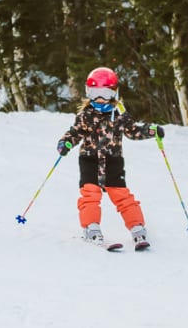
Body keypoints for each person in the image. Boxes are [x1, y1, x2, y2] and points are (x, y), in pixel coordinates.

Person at [57, 66, 163, 249]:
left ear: (114, 93)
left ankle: (137, 227)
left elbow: (133, 131)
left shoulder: (120, 115)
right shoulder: (85, 115)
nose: (100, 98)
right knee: (90, 194)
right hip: (89, 160)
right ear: (87, 92)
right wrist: (65, 143)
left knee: (122, 195)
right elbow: (74, 133)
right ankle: (91, 228)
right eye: (94, 92)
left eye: (105, 93)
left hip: (113, 161)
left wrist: (150, 130)